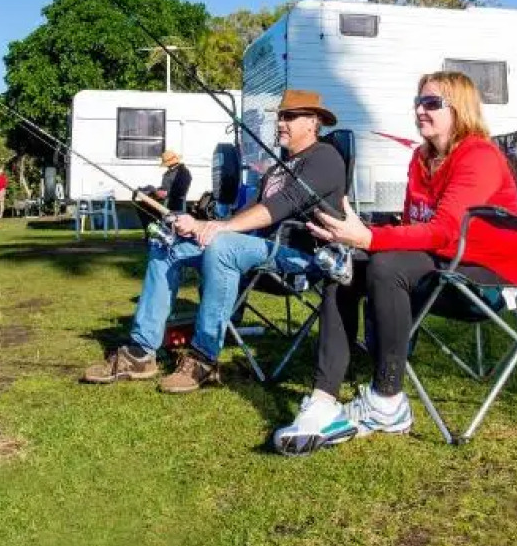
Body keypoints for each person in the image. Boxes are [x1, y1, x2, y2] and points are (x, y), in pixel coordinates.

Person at [272, 71, 517, 454]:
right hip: (442, 264)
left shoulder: (479, 156)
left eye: (432, 103)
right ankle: (323, 401)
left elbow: (443, 231)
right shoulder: (421, 159)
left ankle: (388, 402)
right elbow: (413, 227)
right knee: (346, 264)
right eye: (418, 102)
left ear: (460, 109)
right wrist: (358, 237)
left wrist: (370, 238)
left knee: (385, 266)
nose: (420, 110)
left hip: (484, 277)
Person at [81, 90, 348, 393]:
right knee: (168, 243)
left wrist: (222, 230)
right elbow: (246, 213)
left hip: (301, 257)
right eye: (280, 117)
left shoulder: (325, 157)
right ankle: (142, 351)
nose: (280, 123)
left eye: (289, 117)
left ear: (313, 122)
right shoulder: (277, 168)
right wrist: (198, 225)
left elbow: (281, 206)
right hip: (255, 250)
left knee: (223, 247)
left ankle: (203, 358)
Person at [149, 150, 193, 214]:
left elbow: (181, 191)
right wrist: (157, 191)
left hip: (177, 205)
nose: (167, 166)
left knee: (175, 219)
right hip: (167, 203)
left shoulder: (184, 172)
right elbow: (165, 186)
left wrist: (166, 193)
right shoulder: (169, 172)